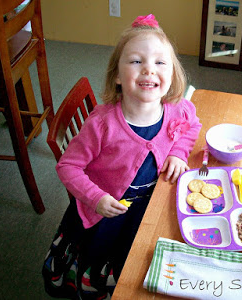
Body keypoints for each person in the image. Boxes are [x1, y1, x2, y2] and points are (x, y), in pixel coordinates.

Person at [42, 14, 202, 300]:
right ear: (117, 75)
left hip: (147, 206)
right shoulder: (103, 125)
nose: (149, 70)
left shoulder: (177, 109)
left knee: (139, 254)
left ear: (172, 74)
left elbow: (193, 126)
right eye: (136, 61)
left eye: (160, 62)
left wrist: (178, 152)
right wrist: (95, 197)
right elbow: (67, 166)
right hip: (106, 213)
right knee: (102, 258)